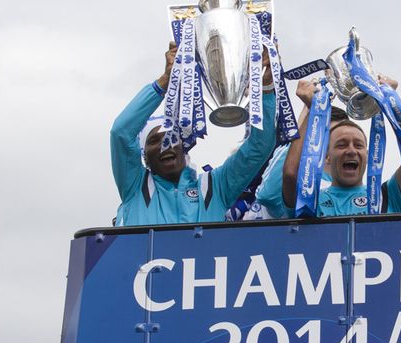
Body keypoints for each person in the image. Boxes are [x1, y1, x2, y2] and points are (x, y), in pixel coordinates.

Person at [111, 42, 277, 226]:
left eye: (171, 137)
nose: (164, 144)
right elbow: (121, 133)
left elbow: (260, 146)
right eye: (153, 141)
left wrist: (265, 87)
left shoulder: (215, 187)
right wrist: (165, 81)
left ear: (183, 146)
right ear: (145, 157)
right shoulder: (135, 187)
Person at [277, 78, 401, 216]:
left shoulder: (387, 196)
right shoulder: (309, 198)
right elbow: (291, 173)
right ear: (327, 157)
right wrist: (313, 109)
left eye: (358, 145)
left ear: (368, 156)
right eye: (341, 145)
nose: (351, 151)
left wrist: (389, 101)